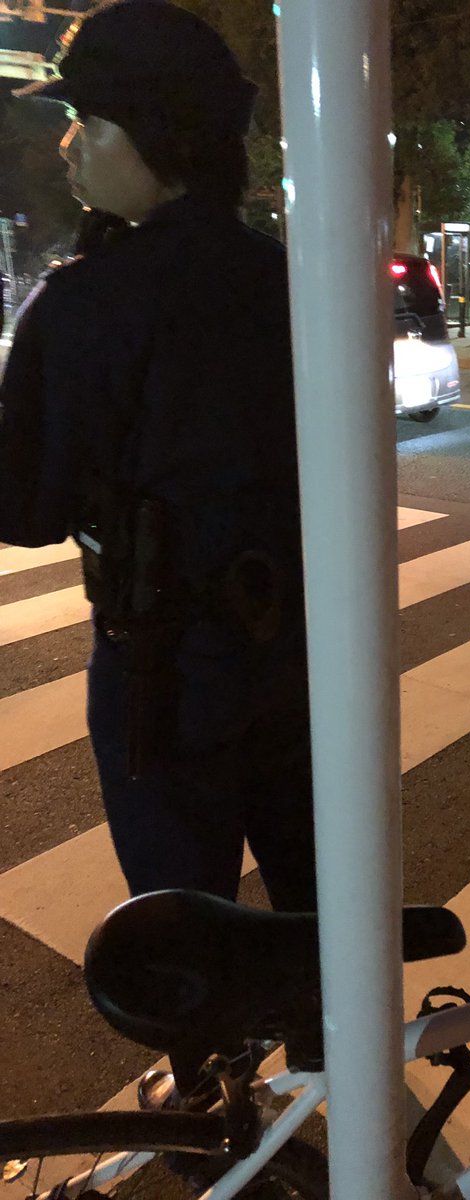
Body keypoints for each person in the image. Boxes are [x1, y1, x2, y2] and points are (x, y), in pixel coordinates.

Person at [0, 0, 315, 1097]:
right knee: (316, 881)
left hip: (165, 675)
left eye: (87, 121)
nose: (67, 144)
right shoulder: (291, 279)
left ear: (154, 135)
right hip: (304, 653)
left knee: (184, 912)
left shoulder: (86, 302)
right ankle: (337, 1060)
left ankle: (213, 1099)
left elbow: (25, 507)